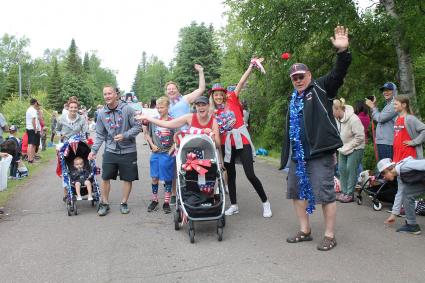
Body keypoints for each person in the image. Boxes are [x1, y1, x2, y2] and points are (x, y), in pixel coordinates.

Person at [280, 26, 351, 251]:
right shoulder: (293, 99)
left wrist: (343, 52)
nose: (298, 80)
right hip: (298, 156)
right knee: (296, 191)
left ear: (308, 75)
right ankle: (305, 230)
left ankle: (329, 235)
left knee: (325, 193)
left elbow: (338, 74)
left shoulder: (320, 88)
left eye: (301, 76)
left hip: (320, 152)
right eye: (294, 78)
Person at [209, 60, 272, 218]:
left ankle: (265, 202)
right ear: (212, 97)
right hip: (226, 144)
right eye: (215, 94)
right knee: (230, 175)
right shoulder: (212, 112)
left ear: (224, 94)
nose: (218, 97)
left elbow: (242, 81)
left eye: (219, 94)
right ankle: (234, 205)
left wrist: (251, 67)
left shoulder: (232, 98)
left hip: (241, 140)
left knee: (250, 174)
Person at [88, 85, 142, 216]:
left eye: (109, 93)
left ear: (116, 94)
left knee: (127, 178)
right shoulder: (101, 113)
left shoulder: (128, 109)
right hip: (110, 150)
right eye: (105, 94)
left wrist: (125, 135)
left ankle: (124, 203)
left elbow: (138, 127)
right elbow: (100, 134)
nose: (107, 96)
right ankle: (105, 203)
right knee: (105, 177)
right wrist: (94, 150)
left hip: (128, 150)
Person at [165, 64, 205, 204]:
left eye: (173, 88)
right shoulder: (166, 104)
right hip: (175, 137)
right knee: (176, 166)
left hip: (189, 136)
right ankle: (175, 193)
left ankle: (197, 189)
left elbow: (201, 89)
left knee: (192, 163)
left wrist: (200, 72)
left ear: (177, 89)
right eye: (168, 89)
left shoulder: (185, 99)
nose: (171, 91)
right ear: (166, 92)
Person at [384, 95, 425, 224]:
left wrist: (414, 142)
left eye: (396, 104)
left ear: (404, 105)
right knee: (402, 189)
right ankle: (396, 214)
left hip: (410, 160)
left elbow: (424, 129)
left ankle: (401, 217)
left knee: (407, 190)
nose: (394, 106)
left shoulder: (410, 119)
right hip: (399, 160)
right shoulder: (397, 119)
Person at [135, 96, 222, 155]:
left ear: (208, 106)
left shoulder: (213, 121)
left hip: (208, 154)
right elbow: (167, 124)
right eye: (198, 105)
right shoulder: (190, 117)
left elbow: (218, 144)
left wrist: (211, 136)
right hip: (191, 155)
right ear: (195, 107)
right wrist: (147, 117)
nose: (201, 108)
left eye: (203, 105)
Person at [378, 157, 425, 234]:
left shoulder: (405, 166)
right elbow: (399, 194)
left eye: (383, 174)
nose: (384, 177)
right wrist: (393, 215)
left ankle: (412, 225)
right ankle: (412, 225)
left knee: (407, 193)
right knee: (406, 193)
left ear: (387, 169)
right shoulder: (400, 177)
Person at [145, 96, 176, 214]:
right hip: (156, 153)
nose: (159, 110)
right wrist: (152, 145)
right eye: (158, 107)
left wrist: (171, 151)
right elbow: (146, 133)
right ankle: (155, 200)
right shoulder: (153, 120)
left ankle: (166, 202)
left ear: (168, 107)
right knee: (154, 177)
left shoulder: (173, 121)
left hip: (167, 154)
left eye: (161, 107)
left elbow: (177, 137)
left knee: (167, 178)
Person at [333, 98, 365, 203]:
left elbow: (360, 137)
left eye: (332, 111)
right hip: (343, 148)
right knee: (342, 168)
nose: (331, 113)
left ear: (338, 109)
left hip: (356, 147)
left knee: (350, 169)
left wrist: (348, 146)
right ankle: (344, 192)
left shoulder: (354, 119)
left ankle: (350, 194)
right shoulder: (337, 119)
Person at [56, 98, 88, 201]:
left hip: (78, 145)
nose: (73, 109)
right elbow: (57, 130)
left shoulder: (81, 119)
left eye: (75, 107)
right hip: (65, 146)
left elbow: (84, 132)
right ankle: (66, 192)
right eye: (71, 107)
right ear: (68, 108)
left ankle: (84, 185)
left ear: (78, 109)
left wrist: (87, 143)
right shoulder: (62, 119)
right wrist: (59, 139)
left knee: (80, 164)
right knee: (65, 169)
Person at [365, 82, 398, 160]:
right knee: (386, 169)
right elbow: (379, 117)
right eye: (384, 90)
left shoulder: (394, 104)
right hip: (384, 142)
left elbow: (380, 118)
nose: (385, 92)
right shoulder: (388, 105)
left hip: (388, 142)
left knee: (387, 169)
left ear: (395, 91)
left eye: (389, 90)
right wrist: (374, 106)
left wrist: (373, 107)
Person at [25, 98, 41, 163]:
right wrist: (35, 129)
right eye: (37, 103)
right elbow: (33, 120)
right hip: (32, 128)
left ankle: (30, 159)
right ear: (35, 103)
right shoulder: (33, 110)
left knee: (30, 144)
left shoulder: (28, 109)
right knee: (31, 144)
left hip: (28, 128)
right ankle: (31, 159)